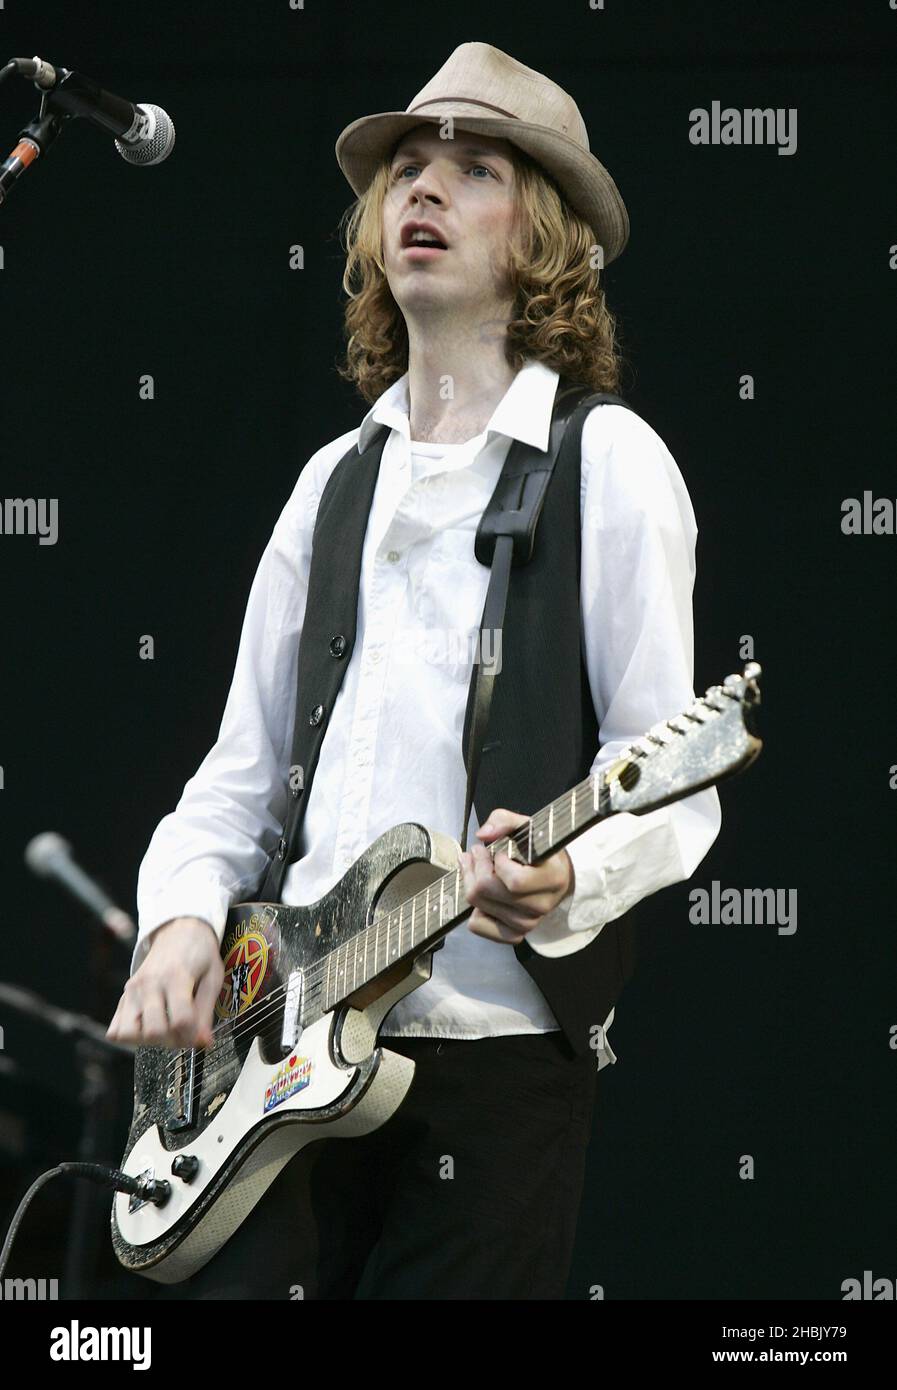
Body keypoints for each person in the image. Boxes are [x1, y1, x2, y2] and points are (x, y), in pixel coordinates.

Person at [106, 42, 721, 1300]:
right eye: (405, 172)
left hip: (492, 1064)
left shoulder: (611, 461)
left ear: (544, 235)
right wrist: (177, 919)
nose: (421, 193)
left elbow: (675, 779)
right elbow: (240, 773)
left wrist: (568, 875)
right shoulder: (334, 481)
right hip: (279, 1064)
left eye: (473, 169)